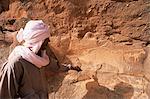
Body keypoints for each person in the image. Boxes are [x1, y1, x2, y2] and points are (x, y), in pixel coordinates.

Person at [0, 20, 51, 99]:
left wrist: (70, 67)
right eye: (46, 39)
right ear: (37, 40)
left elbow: (55, 66)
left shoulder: (40, 60)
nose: (49, 41)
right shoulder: (17, 63)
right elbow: (5, 95)